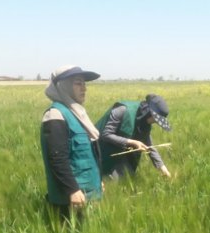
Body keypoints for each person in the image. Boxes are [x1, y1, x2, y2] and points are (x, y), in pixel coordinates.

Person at [40, 65, 103, 221]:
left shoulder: (77, 113)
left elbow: (89, 153)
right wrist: (72, 190)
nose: (84, 88)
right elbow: (57, 157)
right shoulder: (55, 114)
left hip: (88, 192)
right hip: (71, 199)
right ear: (63, 86)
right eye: (78, 83)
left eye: (84, 83)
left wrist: (98, 180)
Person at [97, 94, 172, 180]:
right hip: (101, 151)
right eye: (155, 119)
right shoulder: (122, 110)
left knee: (125, 178)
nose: (155, 122)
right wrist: (133, 142)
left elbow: (149, 145)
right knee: (106, 180)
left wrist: (162, 167)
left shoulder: (145, 122)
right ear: (148, 113)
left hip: (120, 154)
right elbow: (106, 134)